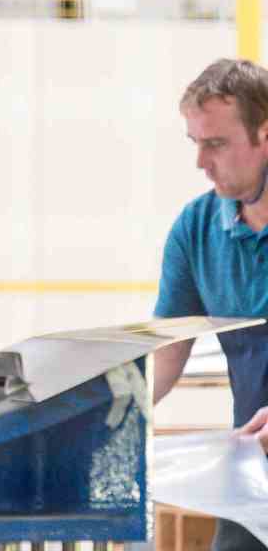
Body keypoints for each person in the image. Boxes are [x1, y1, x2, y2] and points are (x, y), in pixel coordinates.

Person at [154, 58, 268, 551]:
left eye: (216, 143)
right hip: (256, 465)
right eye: (195, 143)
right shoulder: (196, 229)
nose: (201, 162)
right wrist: (120, 410)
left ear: (265, 134)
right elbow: (168, 346)